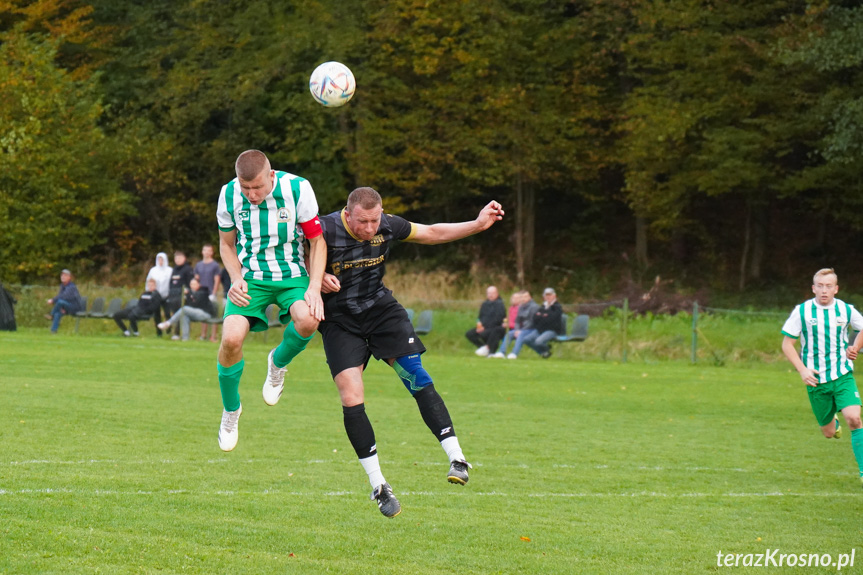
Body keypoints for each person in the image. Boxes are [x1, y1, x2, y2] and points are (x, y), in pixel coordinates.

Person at [318, 186, 504, 518]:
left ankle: (457, 457)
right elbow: (287, 264)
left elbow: (431, 233)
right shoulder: (324, 229)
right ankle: (379, 486)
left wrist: (476, 225)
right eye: (362, 222)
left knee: (416, 376)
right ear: (347, 214)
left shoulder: (387, 225)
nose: (370, 229)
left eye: (375, 221)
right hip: (340, 321)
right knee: (351, 396)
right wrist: (314, 278)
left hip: (381, 311)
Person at [215, 149, 325, 452]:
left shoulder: (298, 189)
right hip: (250, 278)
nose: (251, 194)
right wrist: (236, 277)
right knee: (231, 340)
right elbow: (226, 245)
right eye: (245, 187)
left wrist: (314, 286)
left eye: (258, 187)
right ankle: (231, 411)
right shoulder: (227, 194)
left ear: (271, 176)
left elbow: (317, 241)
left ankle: (277, 363)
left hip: (292, 275)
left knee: (309, 319)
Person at [781, 268, 863, 489]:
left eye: (829, 286)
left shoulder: (846, 309)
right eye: (820, 286)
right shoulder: (803, 311)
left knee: (855, 418)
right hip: (816, 380)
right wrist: (802, 370)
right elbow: (787, 344)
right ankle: (832, 423)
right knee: (828, 433)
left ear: (836, 289)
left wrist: (855, 347)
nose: (824, 290)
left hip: (842, 374)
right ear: (813, 288)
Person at [491, 290, 540, 359]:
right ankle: (502, 352)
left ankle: (514, 353)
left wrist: (521, 330)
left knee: (521, 335)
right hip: (521, 329)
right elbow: (517, 321)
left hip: (531, 329)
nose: (523, 298)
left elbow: (531, 322)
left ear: (530, 297)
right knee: (510, 334)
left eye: (526, 296)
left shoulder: (534, 307)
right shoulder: (521, 307)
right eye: (522, 297)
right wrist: (517, 330)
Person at [464, 285, 507, 357]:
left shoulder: (500, 304)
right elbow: (479, 317)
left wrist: (485, 327)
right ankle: (483, 347)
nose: (491, 295)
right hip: (483, 327)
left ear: (497, 293)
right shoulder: (485, 304)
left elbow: (499, 319)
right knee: (469, 334)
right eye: (489, 293)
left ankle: (491, 352)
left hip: (495, 327)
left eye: (493, 293)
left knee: (487, 333)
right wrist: (479, 325)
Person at [522, 287, 564, 359]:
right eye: (546, 295)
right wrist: (544, 316)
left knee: (538, 342)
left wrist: (542, 316)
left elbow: (552, 319)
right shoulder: (542, 306)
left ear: (554, 296)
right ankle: (544, 352)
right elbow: (535, 318)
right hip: (540, 330)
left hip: (552, 330)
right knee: (526, 339)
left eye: (550, 295)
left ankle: (547, 349)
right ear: (544, 297)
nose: (548, 297)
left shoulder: (557, 307)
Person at [195, 243, 223, 341]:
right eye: (205, 250)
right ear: (202, 252)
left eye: (208, 250)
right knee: (203, 315)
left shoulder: (215, 265)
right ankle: (203, 335)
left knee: (214, 315)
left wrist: (213, 293)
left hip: (211, 294)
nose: (206, 252)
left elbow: (217, 280)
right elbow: (196, 280)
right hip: (202, 294)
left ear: (212, 252)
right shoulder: (198, 265)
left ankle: (213, 336)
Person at [166, 250, 194, 340]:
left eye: (179, 257)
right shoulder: (174, 269)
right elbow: (171, 283)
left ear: (184, 258)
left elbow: (190, 283)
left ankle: (181, 333)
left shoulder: (188, 269)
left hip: (183, 297)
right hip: (173, 296)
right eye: (176, 258)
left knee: (181, 314)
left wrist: (188, 291)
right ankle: (175, 332)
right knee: (174, 313)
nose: (177, 260)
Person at [45, 269, 83, 334]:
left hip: (75, 307)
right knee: (57, 313)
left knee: (60, 301)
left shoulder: (71, 287)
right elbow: (62, 297)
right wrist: (62, 308)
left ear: (69, 277)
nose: (63, 277)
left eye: (65, 275)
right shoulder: (62, 286)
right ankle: (53, 331)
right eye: (62, 275)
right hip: (66, 306)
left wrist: (53, 300)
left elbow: (63, 297)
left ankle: (51, 315)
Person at [146, 252, 173, 337]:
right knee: (156, 314)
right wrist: (149, 292)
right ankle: (159, 332)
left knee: (167, 313)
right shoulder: (153, 270)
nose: (160, 261)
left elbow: (172, 283)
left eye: (162, 259)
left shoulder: (169, 270)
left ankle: (169, 330)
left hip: (166, 295)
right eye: (159, 259)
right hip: (156, 296)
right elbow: (149, 281)